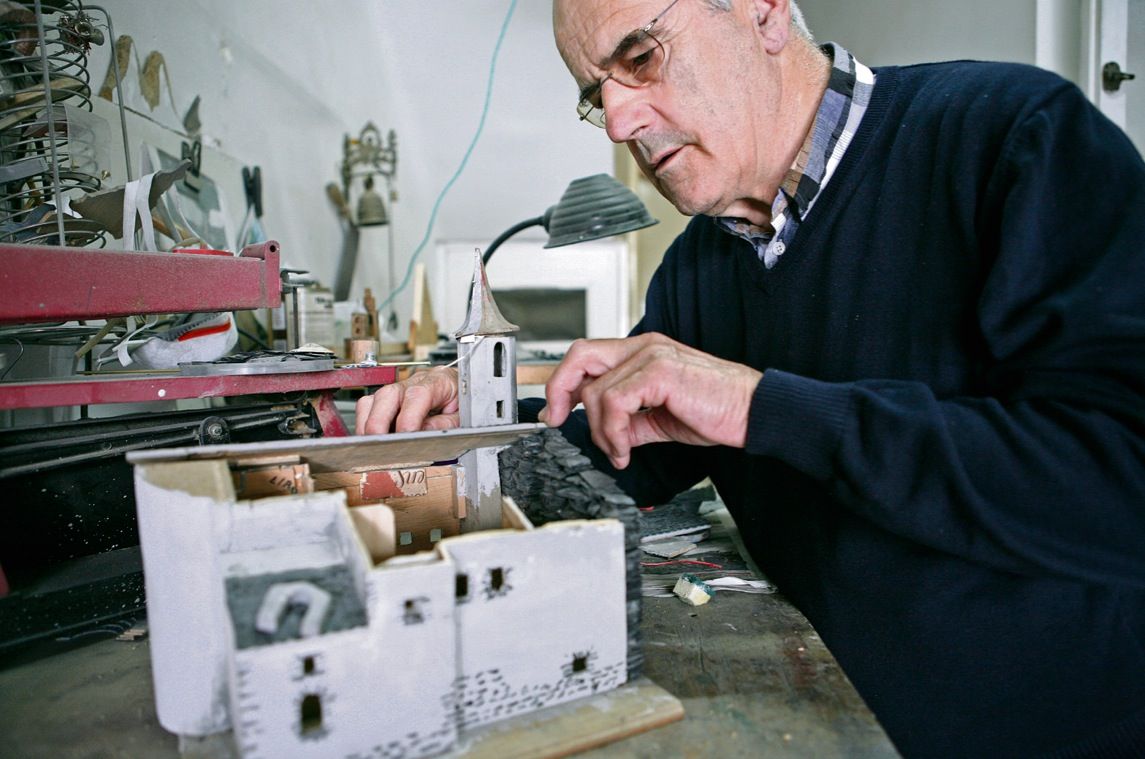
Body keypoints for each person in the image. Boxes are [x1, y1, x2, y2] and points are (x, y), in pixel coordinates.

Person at [358, 1, 1145, 755]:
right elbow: (622, 440)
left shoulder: (1011, 137)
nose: (623, 122)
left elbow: (1118, 478)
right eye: (598, 95)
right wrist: (476, 430)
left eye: (640, 56)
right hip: (829, 714)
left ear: (762, 10)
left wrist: (760, 404)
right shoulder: (699, 266)